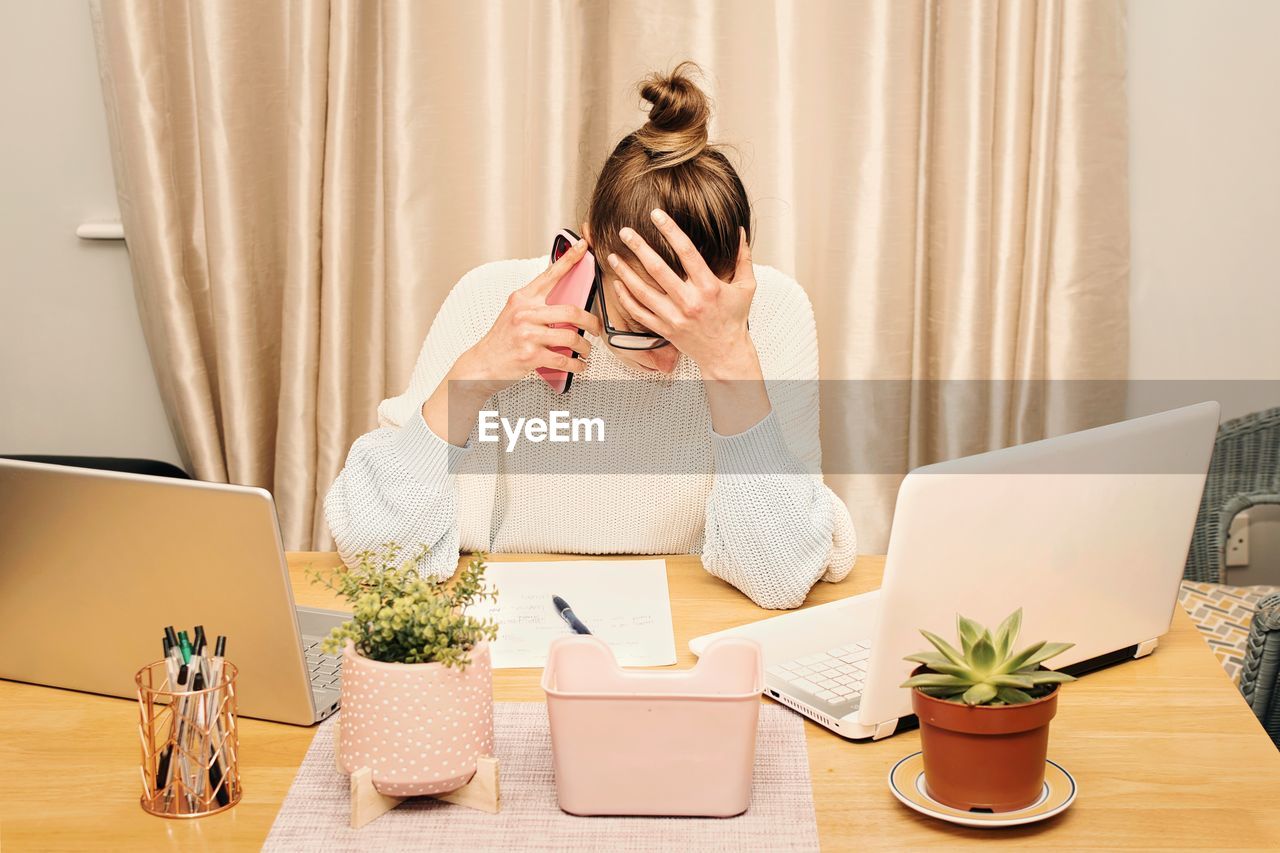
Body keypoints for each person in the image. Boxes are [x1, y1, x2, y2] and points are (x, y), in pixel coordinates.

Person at [324, 62, 856, 609]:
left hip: (694, 637)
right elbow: (373, 551)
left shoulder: (770, 315)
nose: (671, 361)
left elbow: (779, 575)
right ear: (592, 244)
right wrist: (474, 377)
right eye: (644, 322)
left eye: (696, 325)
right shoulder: (491, 298)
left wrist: (730, 362)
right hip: (513, 640)